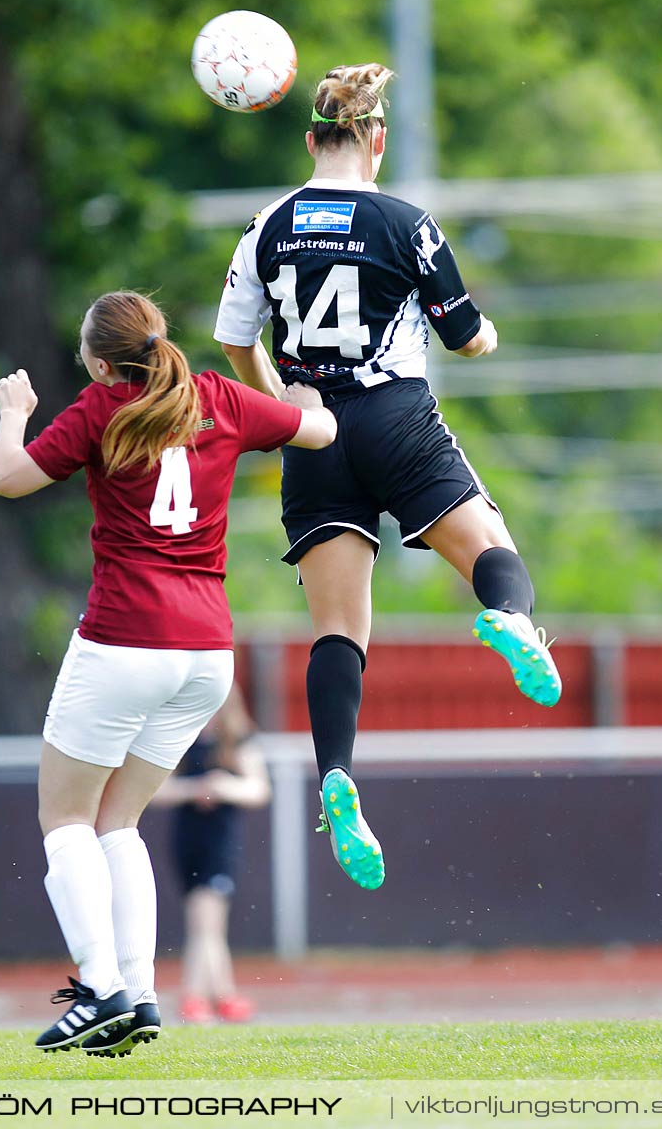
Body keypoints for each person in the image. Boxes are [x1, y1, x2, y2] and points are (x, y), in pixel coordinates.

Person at [213, 63, 561, 895]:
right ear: (376, 139)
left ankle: (337, 773)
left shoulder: (266, 226)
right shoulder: (406, 221)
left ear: (310, 140)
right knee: (491, 547)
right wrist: (488, 339)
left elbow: (233, 341)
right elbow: (468, 338)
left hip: (313, 431)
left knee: (339, 630)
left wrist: (283, 402)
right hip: (394, 416)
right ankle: (510, 620)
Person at [0, 291, 335, 1055]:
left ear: (103, 361)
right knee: (118, 822)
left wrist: (14, 412)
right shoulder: (216, 396)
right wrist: (291, 393)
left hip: (124, 641)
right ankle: (140, 995)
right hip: (208, 654)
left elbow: (10, 479)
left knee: (66, 821)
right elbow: (320, 428)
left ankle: (99, 986)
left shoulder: (100, 406)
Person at [151, 686, 271, 1024]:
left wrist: (223, 786)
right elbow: (157, 791)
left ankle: (197, 995)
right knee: (204, 921)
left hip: (221, 842)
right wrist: (195, 790)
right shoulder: (180, 738)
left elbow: (258, 788)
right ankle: (223, 994)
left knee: (207, 921)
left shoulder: (238, 739)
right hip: (187, 841)